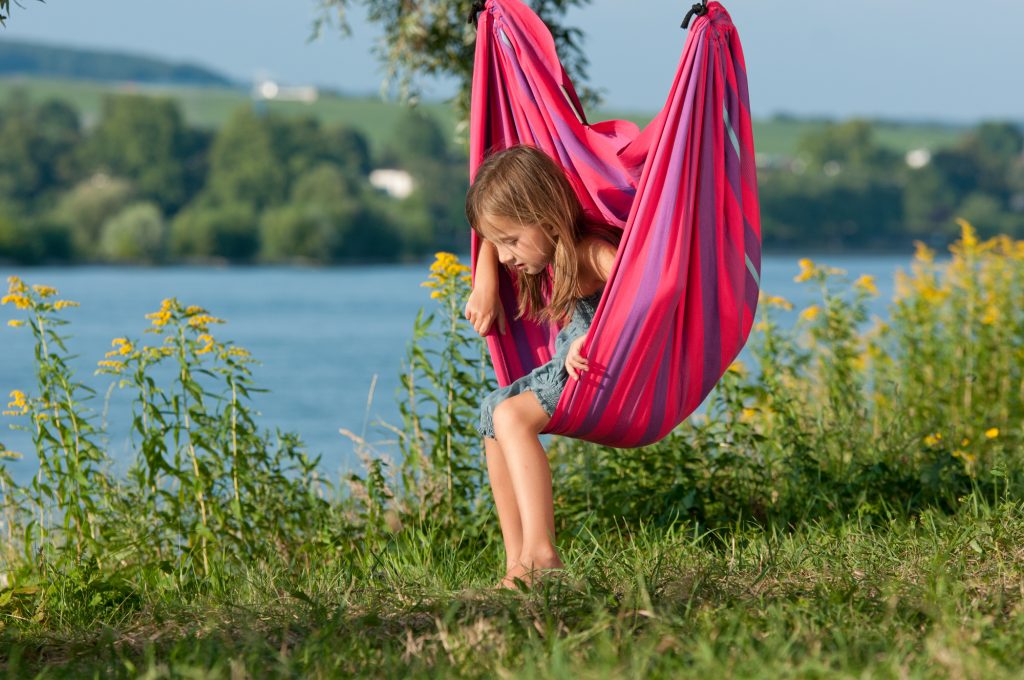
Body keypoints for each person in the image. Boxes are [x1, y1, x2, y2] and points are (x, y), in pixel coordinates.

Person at [464, 145, 619, 589]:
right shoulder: (547, 243)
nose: (506, 254)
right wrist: (485, 282)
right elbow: (493, 242)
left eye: (512, 241)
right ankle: (518, 563)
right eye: (500, 243)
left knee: (511, 417)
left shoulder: (590, 253)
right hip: (566, 367)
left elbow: (642, 293)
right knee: (491, 413)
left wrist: (599, 334)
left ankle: (543, 555)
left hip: (594, 368)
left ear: (548, 223)